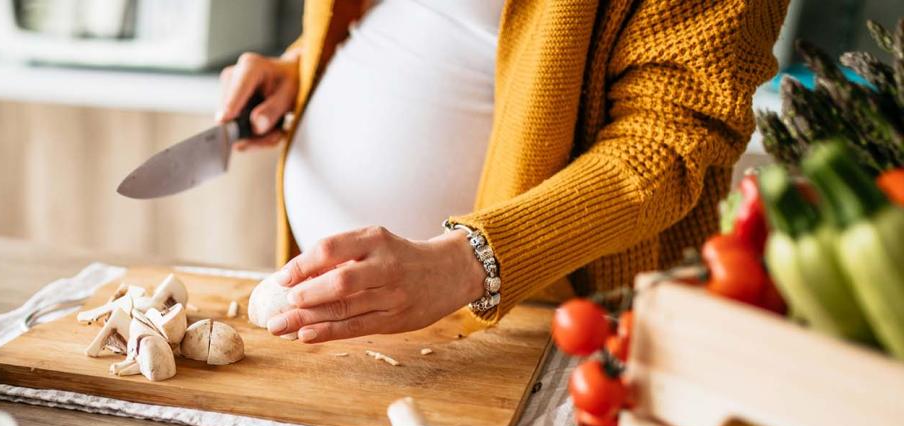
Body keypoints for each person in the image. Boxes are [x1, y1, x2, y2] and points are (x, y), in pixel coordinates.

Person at [216, 0, 788, 343]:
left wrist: (469, 265)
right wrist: (302, 61)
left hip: (546, 327)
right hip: (351, 320)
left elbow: (668, 143)